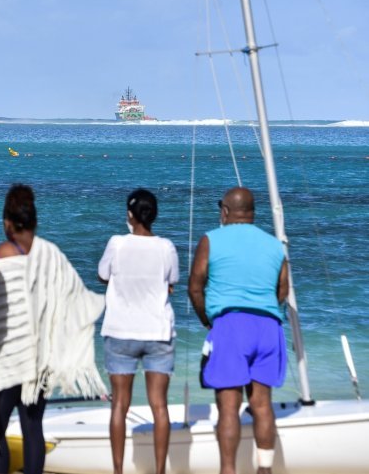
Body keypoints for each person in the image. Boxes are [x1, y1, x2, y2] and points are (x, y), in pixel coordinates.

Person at [0, 184, 106, 474]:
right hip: (41, 358)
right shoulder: (53, 255)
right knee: (32, 427)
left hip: (10, 357)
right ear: (35, 221)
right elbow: (73, 300)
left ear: (7, 222)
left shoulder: (4, 252)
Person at [188, 187, 289, 474]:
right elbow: (283, 289)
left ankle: (229, 470)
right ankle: (265, 469)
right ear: (252, 212)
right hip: (268, 327)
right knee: (262, 404)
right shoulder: (274, 244)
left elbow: (195, 286)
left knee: (229, 407)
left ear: (225, 211)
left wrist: (207, 319)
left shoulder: (212, 239)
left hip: (231, 326)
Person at [98, 188, 179, 474]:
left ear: (130, 215)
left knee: (120, 404)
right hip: (157, 331)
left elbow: (102, 274)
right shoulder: (166, 246)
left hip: (121, 330)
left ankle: (118, 470)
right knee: (160, 407)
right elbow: (172, 281)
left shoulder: (117, 243)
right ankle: (159, 471)